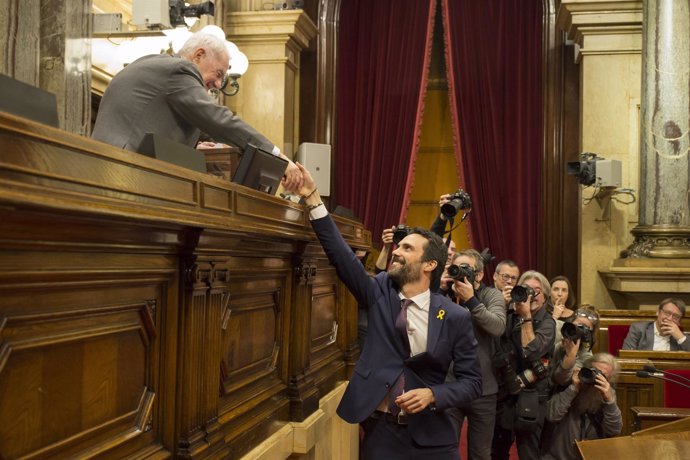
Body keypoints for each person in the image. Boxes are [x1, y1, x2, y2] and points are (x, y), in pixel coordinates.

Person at [285, 163, 482, 459]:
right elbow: (341, 256)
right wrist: (312, 197)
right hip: (381, 435)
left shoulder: (455, 316)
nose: (397, 252)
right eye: (398, 247)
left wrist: (434, 395)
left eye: (406, 249)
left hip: (432, 439)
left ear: (429, 265)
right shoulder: (378, 294)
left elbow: (472, 382)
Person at [92, 26, 302, 189]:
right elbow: (221, 122)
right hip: (120, 174)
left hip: (112, 171)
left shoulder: (165, 73)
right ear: (198, 55)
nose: (219, 85)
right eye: (219, 74)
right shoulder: (179, 70)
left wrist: (196, 144)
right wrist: (278, 157)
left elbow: (210, 132)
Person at [445, 249, 506, 460]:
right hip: (450, 384)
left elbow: (497, 326)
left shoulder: (492, 295)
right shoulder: (445, 294)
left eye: (466, 269)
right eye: (457, 267)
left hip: (483, 387)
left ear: (479, 275)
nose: (460, 273)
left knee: (480, 454)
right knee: (445, 449)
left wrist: (471, 300)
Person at [491, 270, 556, 460]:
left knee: (529, 453)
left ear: (545, 297)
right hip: (505, 394)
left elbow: (532, 351)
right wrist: (501, 306)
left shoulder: (547, 323)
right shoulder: (510, 316)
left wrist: (526, 316)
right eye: (527, 289)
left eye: (537, 290)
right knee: (497, 451)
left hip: (532, 395)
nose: (531, 295)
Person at [541, 353, 623, 460]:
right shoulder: (569, 385)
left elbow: (614, 431)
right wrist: (573, 389)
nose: (595, 378)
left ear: (610, 380)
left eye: (602, 376)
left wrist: (609, 401)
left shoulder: (608, 394)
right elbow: (552, 415)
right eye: (593, 371)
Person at [550, 307, 600, 388]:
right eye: (576, 325)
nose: (577, 330)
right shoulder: (560, 328)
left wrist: (570, 355)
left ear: (590, 335)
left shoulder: (586, 356)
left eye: (584, 327)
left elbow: (561, 380)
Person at [622, 298, 690, 351]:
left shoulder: (681, 338)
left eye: (676, 316)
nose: (670, 318)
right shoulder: (639, 329)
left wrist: (680, 338)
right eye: (667, 313)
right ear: (658, 312)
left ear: (679, 321)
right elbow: (627, 355)